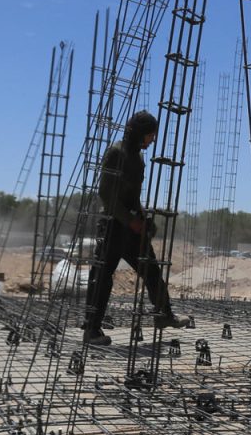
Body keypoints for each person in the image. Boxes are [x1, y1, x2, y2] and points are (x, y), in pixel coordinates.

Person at [82, 110, 192, 344]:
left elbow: (132, 197)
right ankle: (91, 330)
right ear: (141, 134)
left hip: (131, 227)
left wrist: (143, 219)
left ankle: (164, 315)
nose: (152, 140)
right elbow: (106, 195)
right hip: (113, 225)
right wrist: (131, 220)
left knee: (151, 269)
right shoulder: (116, 153)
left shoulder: (138, 158)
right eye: (150, 135)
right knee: (102, 276)